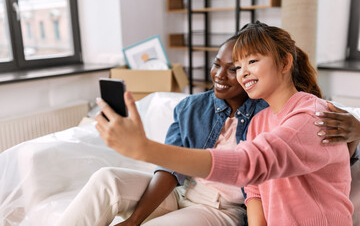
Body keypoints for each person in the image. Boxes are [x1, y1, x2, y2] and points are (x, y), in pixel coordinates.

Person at [95, 22, 354, 225]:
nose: (243, 73)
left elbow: (249, 165)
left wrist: (145, 149)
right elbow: (253, 191)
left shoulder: (312, 116)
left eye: (251, 62)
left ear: (285, 62)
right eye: (238, 66)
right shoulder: (259, 121)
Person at [55, 34, 268, 226]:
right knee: (107, 180)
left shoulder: (265, 115)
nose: (219, 75)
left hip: (221, 210)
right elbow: (170, 169)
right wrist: (134, 220)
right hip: (182, 194)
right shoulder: (192, 107)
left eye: (232, 69)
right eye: (216, 65)